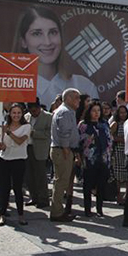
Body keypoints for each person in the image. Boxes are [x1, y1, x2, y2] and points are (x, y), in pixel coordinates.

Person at [13, 6, 98, 107]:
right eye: (37, 33)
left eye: (53, 32)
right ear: (23, 41)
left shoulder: (84, 86)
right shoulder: (13, 87)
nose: (47, 42)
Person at [0, 103, 31, 226]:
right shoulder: (4, 126)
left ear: (22, 114)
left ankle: (21, 215)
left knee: (17, 188)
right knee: (3, 188)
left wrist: (9, 132)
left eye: (18, 113)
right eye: (14, 113)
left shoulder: (26, 127)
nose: (16, 115)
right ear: (10, 114)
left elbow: (21, 141)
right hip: (4, 160)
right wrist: (0, 141)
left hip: (19, 160)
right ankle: (2, 214)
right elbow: (3, 146)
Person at [49, 88, 80, 222]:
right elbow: (64, 132)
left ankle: (58, 210)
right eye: (76, 98)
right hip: (62, 150)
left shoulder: (67, 111)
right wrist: (66, 148)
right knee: (61, 181)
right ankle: (57, 212)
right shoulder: (65, 112)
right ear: (68, 98)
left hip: (62, 149)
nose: (79, 101)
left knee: (61, 181)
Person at [78, 101, 111, 218]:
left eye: (98, 110)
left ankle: (99, 209)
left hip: (103, 158)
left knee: (101, 185)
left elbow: (109, 139)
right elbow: (79, 142)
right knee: (88, 185)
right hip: (89, 159)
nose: (96, 113)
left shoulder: (104, 123)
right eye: (94, 111)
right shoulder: (84, 125)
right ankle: (87, 210)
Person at [24, 100, 52, 208]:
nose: (33, 112)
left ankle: (43, 199)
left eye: (35, 110)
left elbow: (49, 133)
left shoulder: (48, 117)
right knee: (29, 176)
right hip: (27, 148)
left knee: (40, 176)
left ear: (39, 107)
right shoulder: (26, 117)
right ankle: (34, 197)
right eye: (31, 111)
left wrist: (34, 133)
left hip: (40, 150)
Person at [110, 105, 128, 205]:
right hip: (118, 151)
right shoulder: (115, 124)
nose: (123, 114)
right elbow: (109, 136)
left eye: (124, 112)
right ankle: (118, 196)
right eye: (121, 112)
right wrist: (121, 139)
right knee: (117, 175)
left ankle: (127, 195)